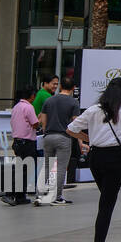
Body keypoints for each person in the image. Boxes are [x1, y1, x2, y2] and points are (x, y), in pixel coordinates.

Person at [67, 77, 121, 242]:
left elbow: (70, 129)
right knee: (106, 206)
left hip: (96, 158)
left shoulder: (94, 110)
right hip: (116, 158)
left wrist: (89, 137)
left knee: (105, 201)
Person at [37, 77, 81, 205]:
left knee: (46, 166)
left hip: (48, 136)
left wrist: (46, 132)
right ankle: (57, 197)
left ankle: (39, 195)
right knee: (61, 168)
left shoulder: (49, 100)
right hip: (64, 137)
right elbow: (75, 124)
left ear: (61, 87)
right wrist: (80, 142)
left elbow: (43, 121)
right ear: (73, 88)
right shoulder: (73, 103)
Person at [5, 87, 41, 206]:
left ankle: (20, 196)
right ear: (31, 96)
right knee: (24, 170)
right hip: (27, 142)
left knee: (22, 168)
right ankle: (10, 194)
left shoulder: (16, 107)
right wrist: (40, 119)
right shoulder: (28, 107)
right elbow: (35, 124)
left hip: (17, 142)